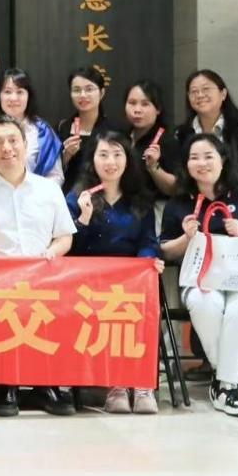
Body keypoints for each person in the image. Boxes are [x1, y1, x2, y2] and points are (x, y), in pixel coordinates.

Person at [0, 115, 77, 418]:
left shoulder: (49, 190)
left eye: (13, 141)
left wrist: (51, 253)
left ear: (25, 144)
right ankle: (4, 384)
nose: (7, 148)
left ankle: (45, 385)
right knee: (3, 309)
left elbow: (65, 236)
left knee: (58, 310)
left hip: (43, 281)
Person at [160, 133, 238, 417]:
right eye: (194, 158)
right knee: (205, 303)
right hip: (201, 280)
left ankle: (223, 384)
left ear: (223, 160)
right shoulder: (178, 204)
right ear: (186, 165)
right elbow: (165, 251)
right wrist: (186, 238)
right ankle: (227, 385)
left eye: (208, 156)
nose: (202, 163)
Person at [65, 130, 163, 415]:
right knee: (108, 309)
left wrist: (147, 263)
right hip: (88, 282)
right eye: (103, 155)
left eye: (117, 154)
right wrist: (83, 219)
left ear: (127, 159)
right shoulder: (76, 197)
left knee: (142, 303)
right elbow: (71, 249)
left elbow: (148, 242)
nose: (111, 162)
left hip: (131, 281)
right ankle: (116, 385)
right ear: (92, 160)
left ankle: (142, 383)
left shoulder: (140, 199)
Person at [177, 69, 238, 201]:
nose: (200, 95)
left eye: (206, 89)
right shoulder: (181, 134)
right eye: (194, 91)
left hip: (237, 209)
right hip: (194, 209)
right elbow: (179, 182)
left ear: (223, 94)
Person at [0, 67, 64, 185]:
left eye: (20, 92)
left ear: (29, 96)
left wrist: (36, 194)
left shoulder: (43, 131)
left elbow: (56, 176)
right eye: (7, 92)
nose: (13, 98)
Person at [123, 79, 181, 202]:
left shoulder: (168, 141)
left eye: (145, 104)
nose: (137, 110)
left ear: (158, 109)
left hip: (154, 206)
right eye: (132, 103)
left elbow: (175, 188)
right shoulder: (121, 136)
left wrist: (154, 167)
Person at [58, 65, 113, 193]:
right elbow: (51, 171)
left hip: (100, 196)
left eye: (89, 89)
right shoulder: (62, 127)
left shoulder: (113, 130)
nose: (82, 95)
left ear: (102, 93)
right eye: (76, 90)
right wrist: (65, 156)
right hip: (66, 198)